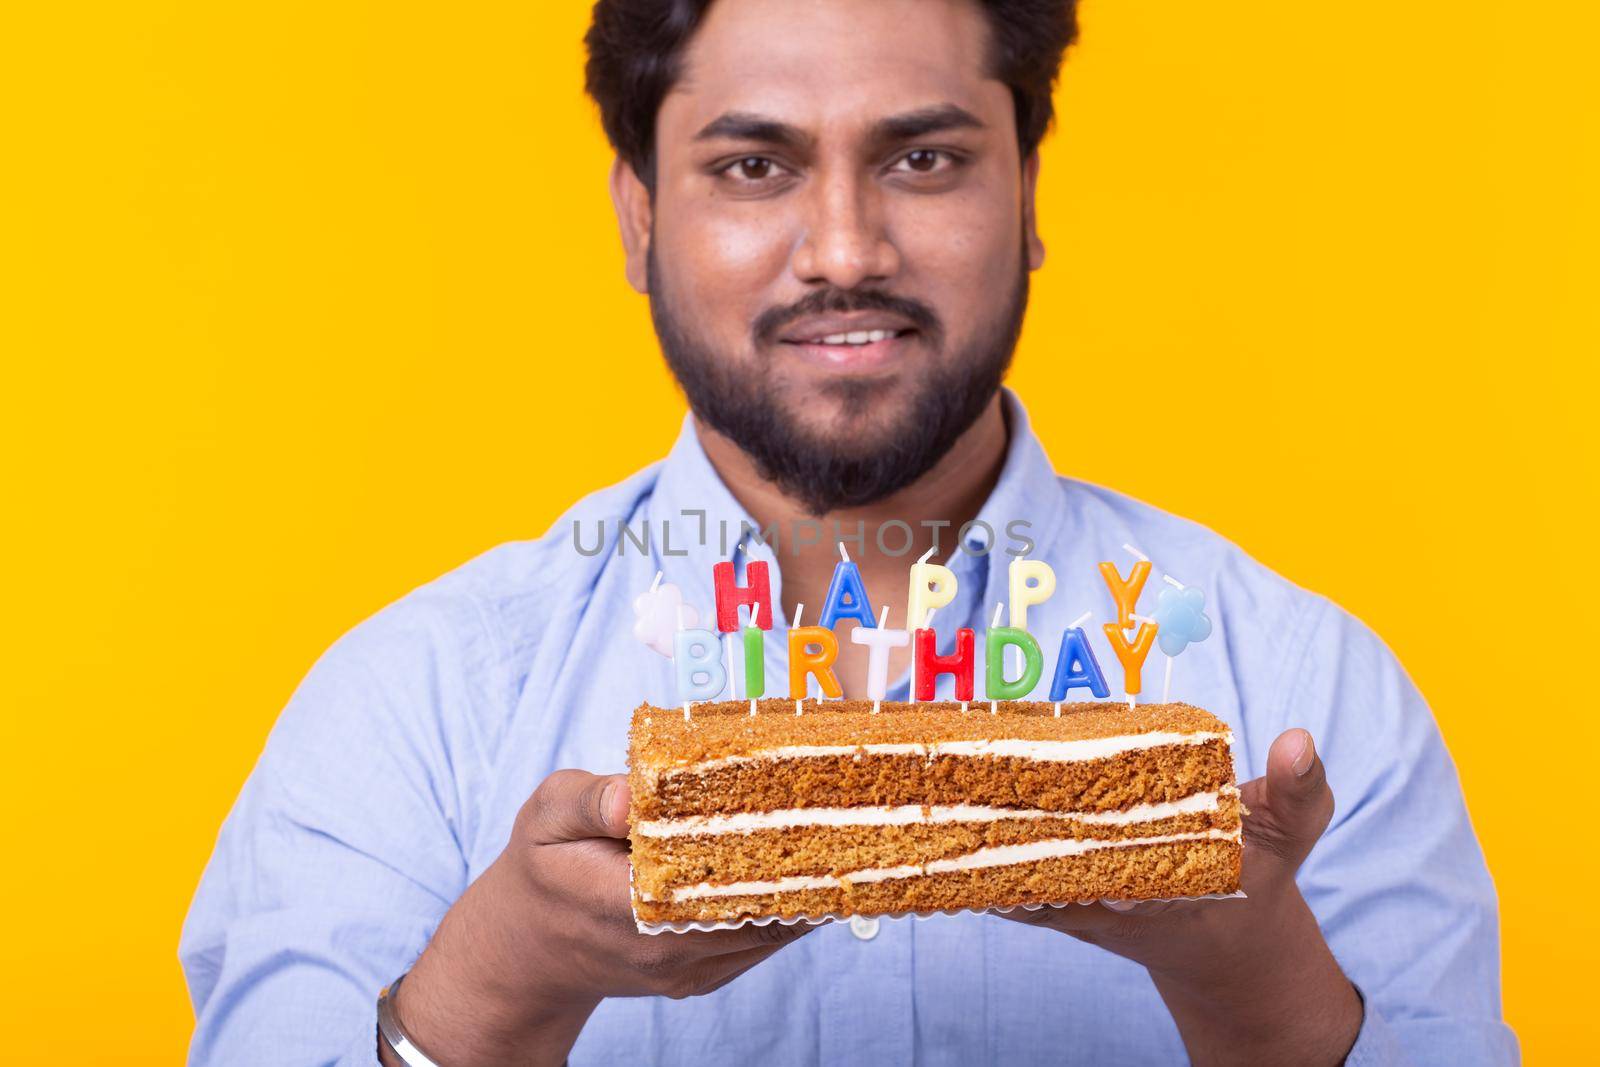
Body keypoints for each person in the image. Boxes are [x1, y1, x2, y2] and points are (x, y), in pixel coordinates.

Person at [180, 1, 1517, 1063]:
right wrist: (496, 985)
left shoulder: (1303, 694)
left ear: (1031, 194)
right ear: (639, 215)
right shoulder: (417, 704)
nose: (843, 248)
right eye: (753, 166)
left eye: (923, 159)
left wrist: (1259, 989)